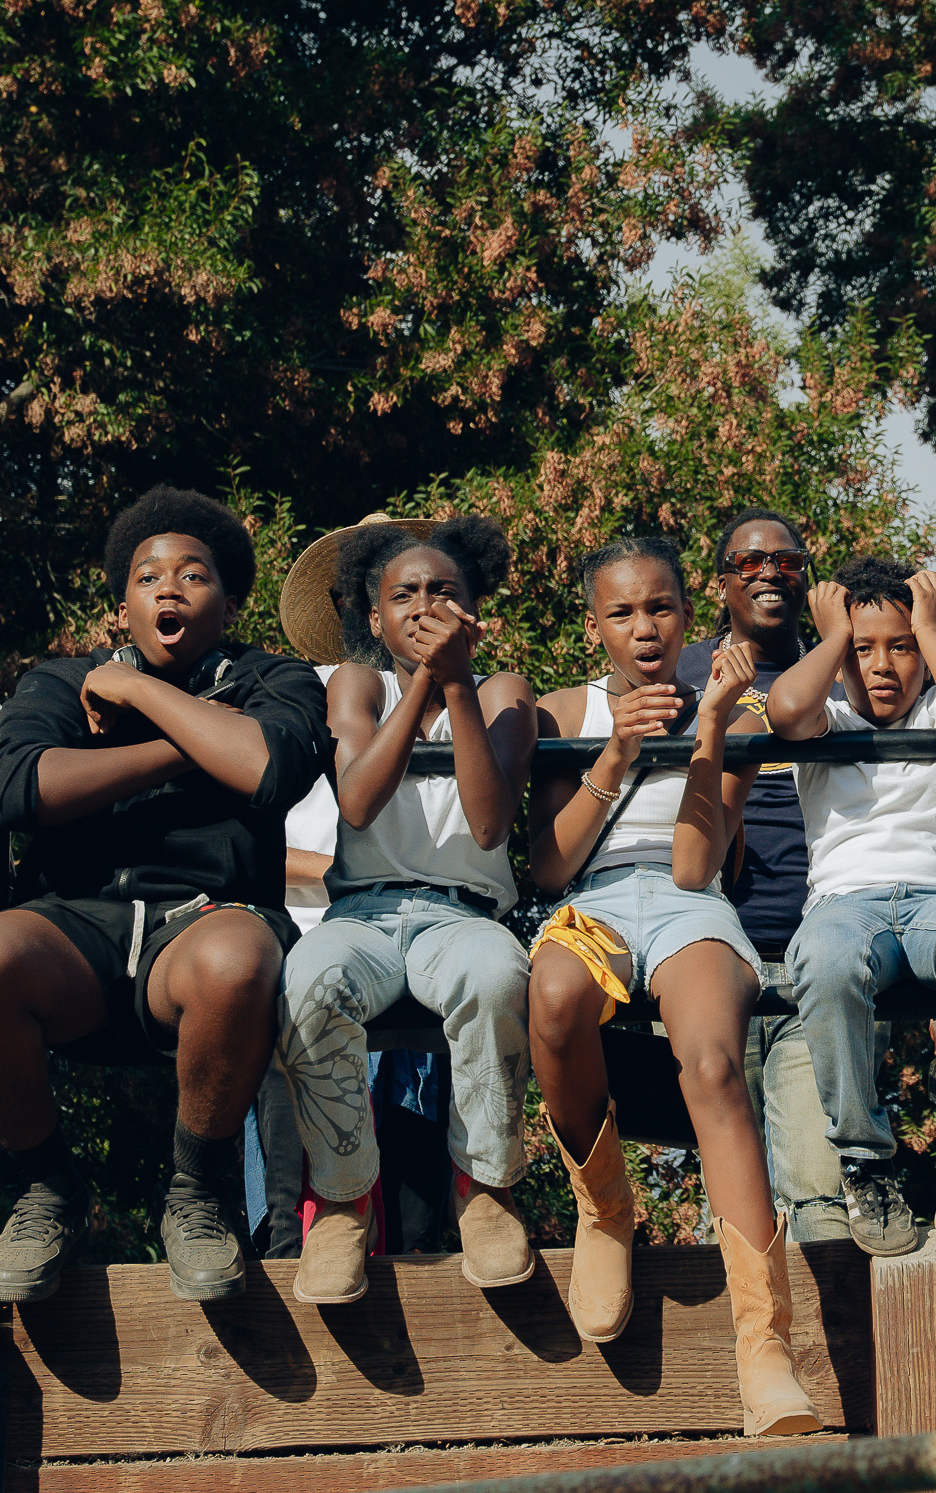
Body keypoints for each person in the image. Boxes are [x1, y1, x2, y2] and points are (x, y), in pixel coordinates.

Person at [0, 486, 327, 1303]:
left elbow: (267, 766)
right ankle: (47, 1189)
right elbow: (16, 791)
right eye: (149, 578)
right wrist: (188, 745)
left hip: (205, 924)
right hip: (71, 926)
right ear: (123, 607)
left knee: (236, 959)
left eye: (194, 576)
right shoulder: (58, 681)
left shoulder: (274, 678)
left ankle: (196, 1192)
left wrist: (146, 697)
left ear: (228, 603)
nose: (170, 590)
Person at [526, 536, 819, 1440]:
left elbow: (698, 869)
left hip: (690, 906)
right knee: (553, 996)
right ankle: (606, 1206)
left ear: (689, 616)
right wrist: (613, 750)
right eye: (622, 613)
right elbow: (549, 865)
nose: (644, 628)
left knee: (714, 1066)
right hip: (595, 900)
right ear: (594, 627)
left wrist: (711, 732)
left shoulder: (732, 707)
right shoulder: (558, 711)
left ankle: (765, 1348)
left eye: (660, 608)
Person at [271, 513, 537, 1303]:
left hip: (462, 914)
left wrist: (456, 683)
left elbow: (489, 824)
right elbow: (356, 803)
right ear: (375, 616)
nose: (425, 606)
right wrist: (422, 677)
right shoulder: (358, 685)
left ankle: (486, 1191)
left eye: (445, 592)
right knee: (306, 982)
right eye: (405, 595)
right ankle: (345, 1203)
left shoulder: (504, 692)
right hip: (362, 915)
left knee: (498, 978)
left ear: (474, 607)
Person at [766, 558, 936, 1256]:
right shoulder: (823, 718)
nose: (883, 664)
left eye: (901, 646)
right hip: (845, 906)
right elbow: (783, 710)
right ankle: (864, 1163)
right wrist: (831, 641)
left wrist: (930, 624)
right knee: (823, 958)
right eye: (863, 649)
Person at [674, 508, 849, 1243]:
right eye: (749, 562)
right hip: (709, 954)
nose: (770, 573)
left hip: (816, 952)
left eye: (787, 560)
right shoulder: (679, 672)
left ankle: (838, 1352)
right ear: (721, 584)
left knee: (822, 1199)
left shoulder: (845, 671)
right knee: (728, 1211)